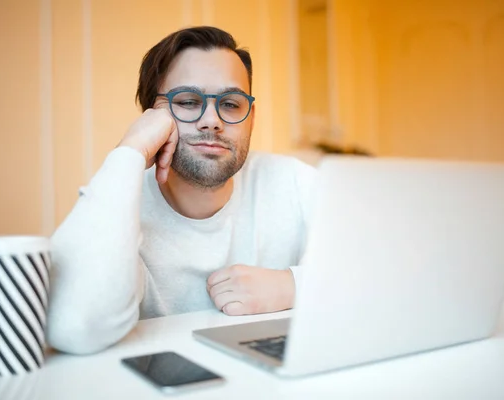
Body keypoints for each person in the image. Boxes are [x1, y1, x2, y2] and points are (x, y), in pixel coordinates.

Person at [47, 26, 316, 355]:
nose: (212, 120)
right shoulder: (120, 205)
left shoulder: (294, 181)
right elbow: (74, 328)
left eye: (231, 104)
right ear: (150, 116)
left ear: (251, 118)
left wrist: (294, 286)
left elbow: (391, 272)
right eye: (188, 101)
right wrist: (130, 151)